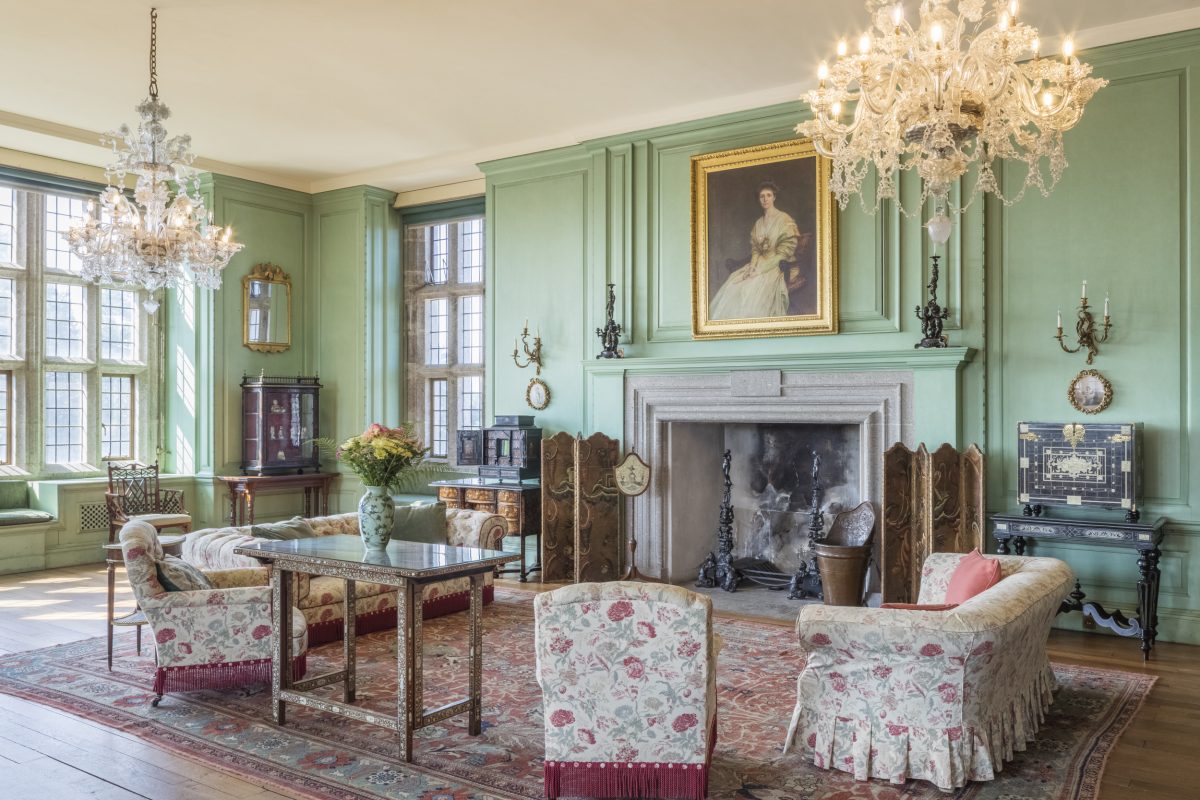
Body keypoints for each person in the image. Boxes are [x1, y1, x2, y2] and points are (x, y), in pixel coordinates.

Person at [709, 181, 803, 320]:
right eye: (762, 196)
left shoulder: (784, 219)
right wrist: (752, 267)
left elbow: (783, 254)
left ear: (774, 197)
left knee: (752, 289)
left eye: (768, 195)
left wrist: (760, 271)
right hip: (759, 263)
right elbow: (756, 250)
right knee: (734, 284)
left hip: (779, 265)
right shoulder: (758, 223)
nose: (765, 199)